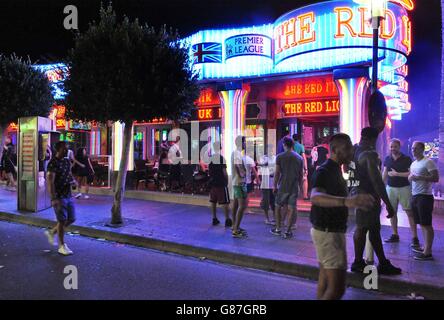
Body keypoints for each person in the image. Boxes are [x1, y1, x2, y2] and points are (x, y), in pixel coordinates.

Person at [310, 133, 375, 300]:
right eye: (346, 149)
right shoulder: (324, 171)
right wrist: (348, 201)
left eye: (350, 148)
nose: (350, 152)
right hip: (329, 234)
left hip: (327, 231)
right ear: (334, 150)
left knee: (325, 279)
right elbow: (315, 197)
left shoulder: (336, 170)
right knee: (337, 288)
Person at [348, 127, 402, 275]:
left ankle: (381, 262)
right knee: (364, 228)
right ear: (372, 139)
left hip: (356, 192)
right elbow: (377, 181)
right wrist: (388, 204)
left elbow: (349, 172)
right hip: (368, 196)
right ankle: (359, 262)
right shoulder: (369, 154)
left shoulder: (353, 150)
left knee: (371, 229)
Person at [44, 141, 77, 256]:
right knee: (62, 221)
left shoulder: (67, 161)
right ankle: (61, 246)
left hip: (68, 194)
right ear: (58, 150)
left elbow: (69, 174)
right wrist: (53, 198)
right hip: (59, 196)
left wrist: (73, 181)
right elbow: (50, 182)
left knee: (72, 218)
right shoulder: (53, 163)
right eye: (64, 148)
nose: (66, 150)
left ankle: (52, 232)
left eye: (67, 148)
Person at [409, 141, 439, 260]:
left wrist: (419, 177)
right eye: (412, 148)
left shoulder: (428, 162)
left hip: (425, 197)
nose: (413, 150)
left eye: (416, 148)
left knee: (426, 224)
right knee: (421, 223)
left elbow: (436, 178)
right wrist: (410, 177)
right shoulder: (413, 163)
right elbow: (412, 176)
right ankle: (425, 246)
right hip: (415, 195)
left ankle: (428, 252)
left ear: (422, 149)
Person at [382, 139, 416, 245]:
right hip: (390, 188)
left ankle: (415, 237)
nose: (393, 149)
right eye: (391, 147)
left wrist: (397, 174)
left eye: (395, 147)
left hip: (404, 188)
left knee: (409, 212)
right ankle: (395, 234)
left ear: (399, 147)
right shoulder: (387, 158)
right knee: (392, 212)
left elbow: (411, 174)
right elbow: (385, 173)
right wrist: (381, 186)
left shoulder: (407, 159)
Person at [270, 136, 303, 239]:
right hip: (294, 186)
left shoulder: (280, 157)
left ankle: (278, 228)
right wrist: (300, 187)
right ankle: (288, 231)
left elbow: (277, 173)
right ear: (293, 145)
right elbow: (301, 175)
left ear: (284, 145)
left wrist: (274, 185)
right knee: (291, 208)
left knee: (278, 206)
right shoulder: (299, 158)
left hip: (283, 185)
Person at [208, 141, 232, 227]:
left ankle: (214, 218)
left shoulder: (210, 158)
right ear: (220, 148)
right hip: (221, 183)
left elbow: (209, 170)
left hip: (213, 182)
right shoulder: (222, 158)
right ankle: (227, 219)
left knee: (213, 201)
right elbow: (224, 172)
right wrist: (227, 181)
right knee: (225, 202)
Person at [231, 135, 248, 238]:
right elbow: (237, 165)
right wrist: (242, 175)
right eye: (244, 142)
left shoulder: (236, 153)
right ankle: (236, 230)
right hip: (239, 182)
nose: (245, 144)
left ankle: (234, 226)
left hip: (236, 181)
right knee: (242, 206)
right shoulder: (237, 153)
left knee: (236, 205)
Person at [258, 144, 276, 225]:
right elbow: (261, 165)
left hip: (273, 183)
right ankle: (267, 218)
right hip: (265, 183)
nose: (271, 151)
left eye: (272, 149)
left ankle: (275, 218)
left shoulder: (276, 158)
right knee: (266, 202)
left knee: (274, 202)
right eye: (269, 149)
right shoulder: (263, 158)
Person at [293, 134, 309, 200]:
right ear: (299, 139)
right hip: (300, 165)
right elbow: (304, 157)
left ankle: (294, 195)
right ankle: (305, 195)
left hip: (292, 166)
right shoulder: (301, 146)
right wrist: (306, 168)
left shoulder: (291, 146)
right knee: (304, 179)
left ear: (293, 139)